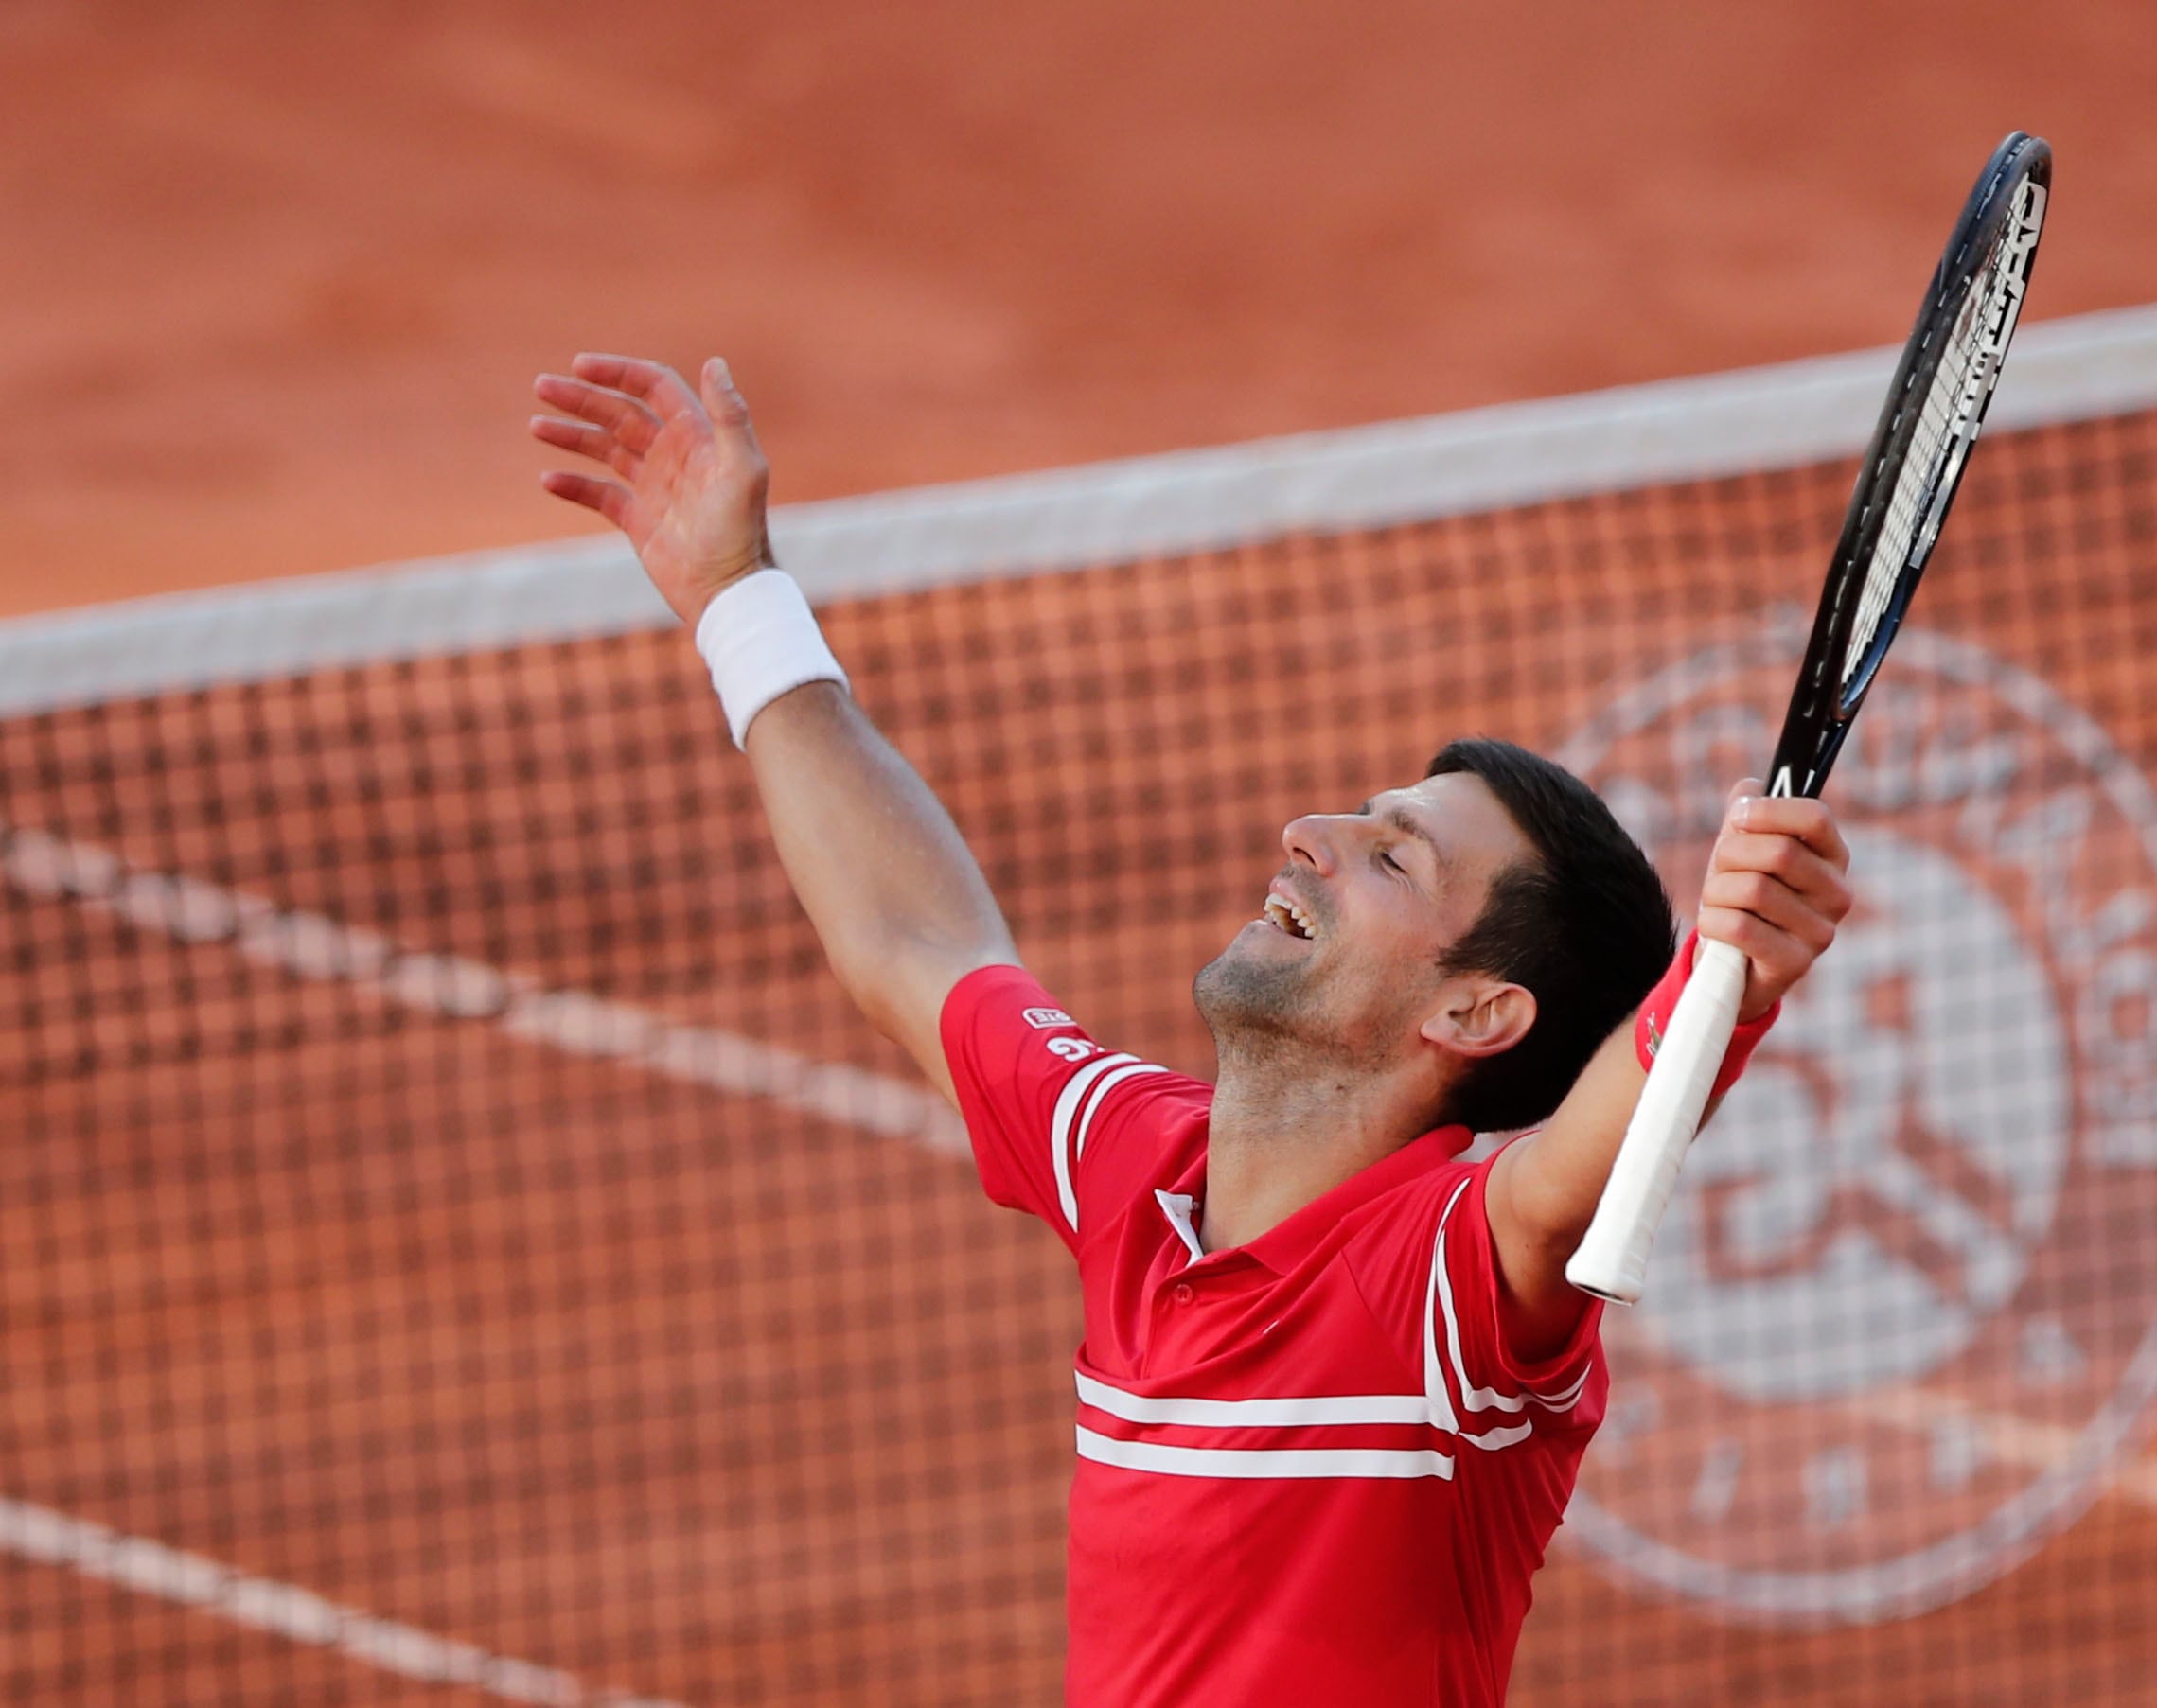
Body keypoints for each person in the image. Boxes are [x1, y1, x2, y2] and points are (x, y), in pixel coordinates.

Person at [530, 353, 1853, 1707]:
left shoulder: (1451, 1287)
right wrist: (739, 602)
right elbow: (916, 945)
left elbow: (1589, 1157)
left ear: (1476, 1011)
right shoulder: (1136, 1170)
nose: (1311, 834)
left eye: (1393, 858)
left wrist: (1726, 981)